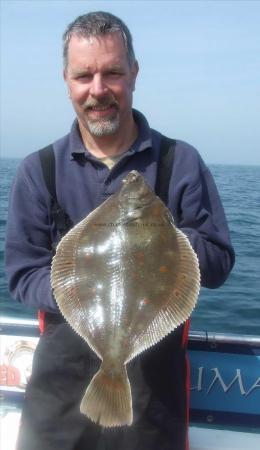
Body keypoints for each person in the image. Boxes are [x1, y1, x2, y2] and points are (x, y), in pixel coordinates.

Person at [5, 11, 235, 450]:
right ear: (67, 80)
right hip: (57, 402)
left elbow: (220, 262)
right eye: (83, 75)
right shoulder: (39, 171)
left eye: (112, 73)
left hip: (154, 400)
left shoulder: (180, 162)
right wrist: (81, 289)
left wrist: (165, 248)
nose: (98, 90)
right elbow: (21, 273)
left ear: (134, 72)